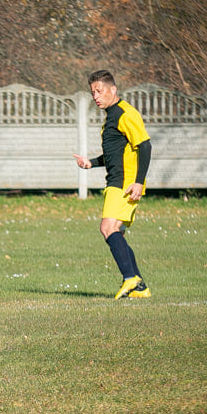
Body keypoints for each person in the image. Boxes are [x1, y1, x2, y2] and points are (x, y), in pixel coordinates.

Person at [74, 70, 152, 299]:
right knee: (115, 232)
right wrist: (92, 163)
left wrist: (138, 182)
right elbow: (114, 154)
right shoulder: (111, 116)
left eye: (99, 91)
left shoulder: (126, 114)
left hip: (126, 183)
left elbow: (145, 146)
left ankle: (131, 278)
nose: (96, 96)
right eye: (92, 93)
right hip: (117, 181)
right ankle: (140, 287)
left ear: (113, 90)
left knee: (107, 228)